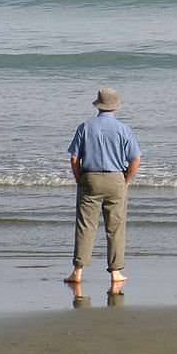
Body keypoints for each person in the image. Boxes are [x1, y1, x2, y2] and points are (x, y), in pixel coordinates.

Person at [64, 87, 141, 286]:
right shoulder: (124, 129)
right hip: (116, 178)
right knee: (115, 228)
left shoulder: (85, 127)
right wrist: (126, 181)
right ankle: (116, 273)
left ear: (98, 105)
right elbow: (135, 159)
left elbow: (74, 158)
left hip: (90, 178)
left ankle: (78, 271)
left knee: (85, 226)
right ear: (115, 107)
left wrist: (79, 178)